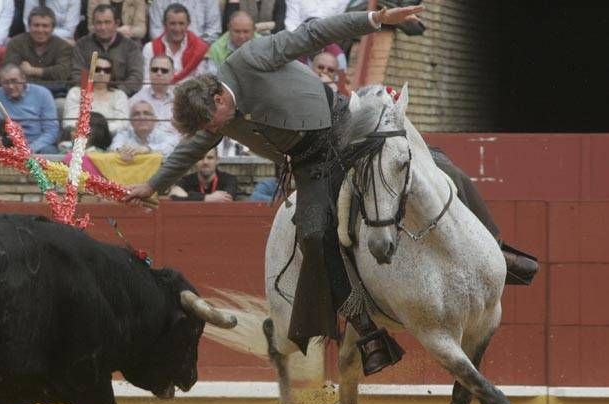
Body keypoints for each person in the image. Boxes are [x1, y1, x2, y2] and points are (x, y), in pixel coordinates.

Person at [126, 7, 539, 366]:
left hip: (343, 127)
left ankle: (497, 249)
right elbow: (192, 146)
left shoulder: (251, 59)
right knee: (313, 233)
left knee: (440, 168)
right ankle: (365, 328)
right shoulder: (214, 114)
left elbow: (313, 34)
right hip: (309, 163)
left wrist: (375, 19)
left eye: (211, 124)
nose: (212, 134)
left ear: (218, 99)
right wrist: (153, 184)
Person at [0, 63, 59, 153]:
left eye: (14, 81)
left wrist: (30, 148)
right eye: (6, 82)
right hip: (5, 144)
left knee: (49, 151)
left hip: (35, 144)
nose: (11, 86)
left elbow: (51, 131)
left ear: (23, 78)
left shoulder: (43, 94)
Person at [71, 4, 143, 96]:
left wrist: (114, 94)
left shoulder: (131, 47)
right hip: (88, 96)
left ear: (116, 23)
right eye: (99, 23)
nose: (103, 27)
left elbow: (136, 78)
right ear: (93, 24)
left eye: (107, 22)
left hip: (121, 97)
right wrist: (94, 92)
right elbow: (77, 74)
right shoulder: (82, 45)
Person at [5, 5, 72, 101]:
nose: (40, 30)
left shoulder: (63, 46)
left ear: (53, 28)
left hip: (55, 95)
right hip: (21, 93)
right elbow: (10, 71)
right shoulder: (15, 43)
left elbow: (63, 73)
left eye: (45, 26)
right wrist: (49, 73)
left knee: (61, 104)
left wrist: (33, 70)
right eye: (36, 25)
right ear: (29, 26)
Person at [62, 56, 130, 140]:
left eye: (107, 71)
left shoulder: (119, 95)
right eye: (97, 69)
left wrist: (97, 132)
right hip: (80, 139)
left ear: (111, 75)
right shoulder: (76, 93)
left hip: (111, 139)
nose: (102, 73)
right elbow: (69, 122)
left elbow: (123, 124)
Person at [142, 3, 211, 83]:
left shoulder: (199, 49)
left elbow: (201, 84)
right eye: (172, 24)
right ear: (164, 24)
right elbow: (147, 82)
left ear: (188, 24)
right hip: (157, 93)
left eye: (181, 24)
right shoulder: (150, 48)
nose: (177, 29)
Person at [110, 100, 178, 161]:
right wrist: (122, 150)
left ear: (155, 119)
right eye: (136, 114)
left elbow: (170, 146)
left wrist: (147, 149)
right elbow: (114, 146)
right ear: (130, 121)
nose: (142, 117)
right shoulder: (123, 135)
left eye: (146, 113)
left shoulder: (164, 134)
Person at [128, 54, 177, 135]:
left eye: (164, 70)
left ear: (172, 74)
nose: (159, 73)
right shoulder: (136, 100)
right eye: (154, 70)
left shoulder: (179, 100)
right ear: (149, 72)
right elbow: (129, 128)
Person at [170, 148, 238, 202]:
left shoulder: (229, 179)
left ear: (217, 160)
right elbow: (174, 194)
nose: (205, 162)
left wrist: (189, 196)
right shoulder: (187, 180)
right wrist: (207, 198)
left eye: (210, 158)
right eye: (201, 158)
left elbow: (228, 198)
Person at [148, 0, 221, 44]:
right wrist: (172, 47)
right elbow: (156, 32)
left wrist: (194, 46)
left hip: (199, 51)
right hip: (167, 49)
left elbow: (213, 31)